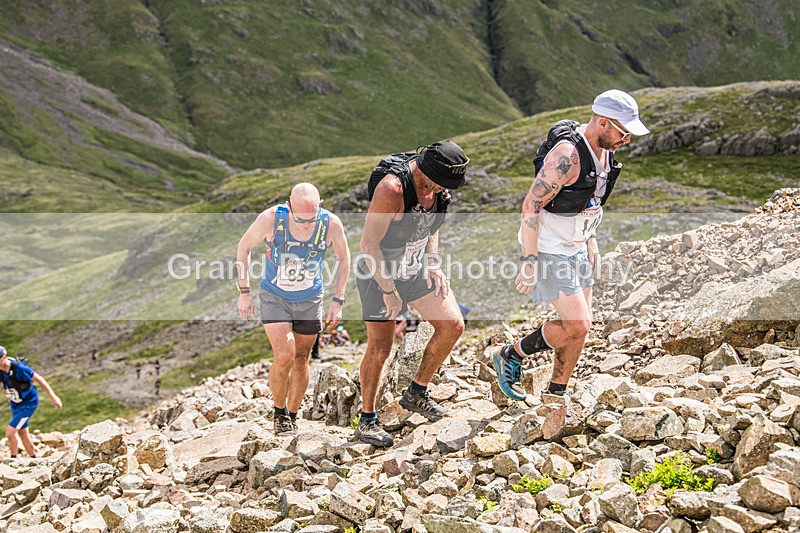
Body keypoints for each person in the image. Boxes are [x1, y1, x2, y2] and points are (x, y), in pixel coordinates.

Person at [492, 89, 650, 403]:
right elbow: (531, 206)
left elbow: (587, 202)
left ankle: (556, 394)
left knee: (577, 327)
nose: (628, 139)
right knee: (579, 325)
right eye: (624, 132)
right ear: (603, 123)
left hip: (578, 243)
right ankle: (512, 354)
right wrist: (530, 259)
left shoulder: (605, 149)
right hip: (549, 246)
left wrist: (591, 241)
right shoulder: (567, 157)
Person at [354, 141, 469, 447]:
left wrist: (433, 264)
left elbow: (432, 228)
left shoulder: (438, 189)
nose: (447, 190)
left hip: (415, 266)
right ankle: (367, 420)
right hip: (378, 269)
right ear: (429, 172)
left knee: (453, 325)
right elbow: (369, 246)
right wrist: (388, 289)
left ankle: (416, 392)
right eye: (444, 183)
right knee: (380, 348)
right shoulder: (392, 189)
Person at [236, 183, 350, 435]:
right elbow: (243, 248)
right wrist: (244, 292)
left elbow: (344, 258)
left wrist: (338, 300)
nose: (306, 224)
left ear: (320, 206)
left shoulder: (330, 223)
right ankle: (279, 413)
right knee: (285, 354)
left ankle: (293, 415)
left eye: (312, 217)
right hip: (275, 295)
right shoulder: (270, 219)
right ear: (289, 206)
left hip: (310, 298)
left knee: (301, 358)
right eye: (300, 218)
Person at [0, 346, 62, 458]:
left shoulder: (19, 368)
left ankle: (12, 459)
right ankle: (34, 457)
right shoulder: (1, 371)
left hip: (28, 403)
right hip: (15, 403)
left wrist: (54, 397)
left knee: (10, 432)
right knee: (22, 433)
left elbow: (39, 379)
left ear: (3, 357)